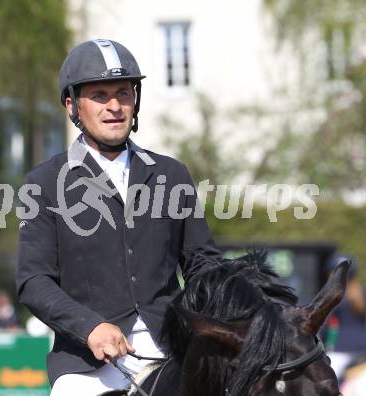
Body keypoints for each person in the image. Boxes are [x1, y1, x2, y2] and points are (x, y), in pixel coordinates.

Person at [16, 39, 219, 395]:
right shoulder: (43, 184)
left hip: (172, 350)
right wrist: (89, 327)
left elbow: (202, 264)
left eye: (123, 93)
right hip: (86, 365)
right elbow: (34, 281)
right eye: (100, 95)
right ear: (72, 106)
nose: (114, 106)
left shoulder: (171, 175)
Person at [322, 254, 366, 381]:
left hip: (341, 350)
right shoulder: (363, 293)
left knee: (326, 381)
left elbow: (323, 326)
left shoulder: (334, 297)